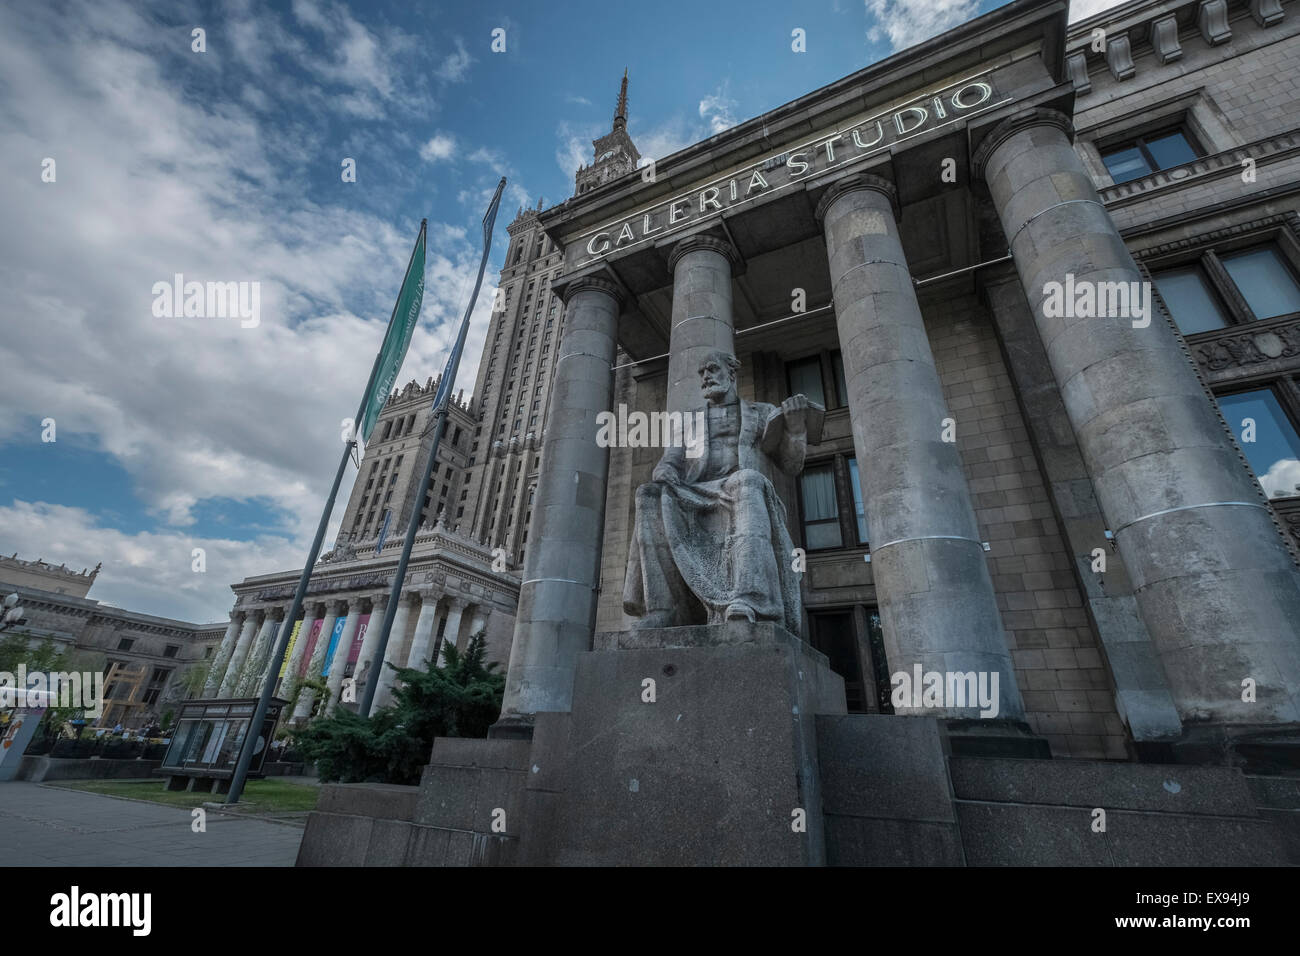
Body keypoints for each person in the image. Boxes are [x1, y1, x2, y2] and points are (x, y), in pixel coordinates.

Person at [623, 350, 822, 634]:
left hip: (741, 488)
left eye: (712, 370)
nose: (706, 377)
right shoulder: (687, 420)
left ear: (731, 374)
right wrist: (663, 471)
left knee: (747, 480)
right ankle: (663, 608)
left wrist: (796, 428)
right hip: (696, 491)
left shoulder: (762, 413)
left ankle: (750, 599)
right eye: (702, 372)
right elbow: (670, 460)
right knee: (647, 493)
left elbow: (792, 465)